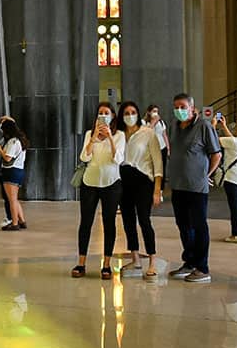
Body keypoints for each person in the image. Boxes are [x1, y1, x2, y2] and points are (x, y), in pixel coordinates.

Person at [167, 93, 222, 284]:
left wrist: (207, 174)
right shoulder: (174, 125)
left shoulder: (204, 126)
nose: (179, 110)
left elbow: (216, 154)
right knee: (183, 225)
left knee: (199, 226)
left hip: (196, 187)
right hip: (178, 185)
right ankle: (189, 262)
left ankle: (202, 267)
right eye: (176, 107)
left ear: (192, 108)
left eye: (182, 107)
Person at [72, 102, 126, 280]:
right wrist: (94, 137)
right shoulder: (89, 134)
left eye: (106, 113)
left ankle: (107, 264)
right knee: (85, 222)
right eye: (100, 113)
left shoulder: (119, 135)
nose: (103, 116)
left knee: (109, 223)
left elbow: (118, 159)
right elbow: (84, 157)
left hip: (111, 183)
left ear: (112, 117)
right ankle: (81, 262)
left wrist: (110, 138)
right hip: (90, 182)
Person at [118, 101, 163, 280]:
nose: (130, 115)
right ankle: (135, 258)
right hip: (123, 179)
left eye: (133, 112)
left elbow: (157, 162)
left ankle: (152, 260)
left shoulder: (148, 134)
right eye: (126, 112)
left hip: (143, 180)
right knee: (128, 221)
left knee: (144, 220)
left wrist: (157, 189)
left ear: (138, 114)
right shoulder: (119, 135)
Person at [0, 118, 28, 231]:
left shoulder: (13, 141)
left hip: (11, 171)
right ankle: (22, 221)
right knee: (15, 198)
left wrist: (0, 150)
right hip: (18, 170)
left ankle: (14, 223)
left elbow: (8, 158)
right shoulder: (20, 140)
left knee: (11, 199)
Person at [145, 105, 170, 186]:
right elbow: (146, 133)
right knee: (153, 168)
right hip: (151, 149)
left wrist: (168, 148)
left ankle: (161, 188)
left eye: (157, 111)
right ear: (149, 112)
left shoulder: (161, 122)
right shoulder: (144, 122)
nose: (155, 113)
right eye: (154, 111)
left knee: (162, 168)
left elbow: (164, 135)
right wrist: (153, 122)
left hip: (162, 147)